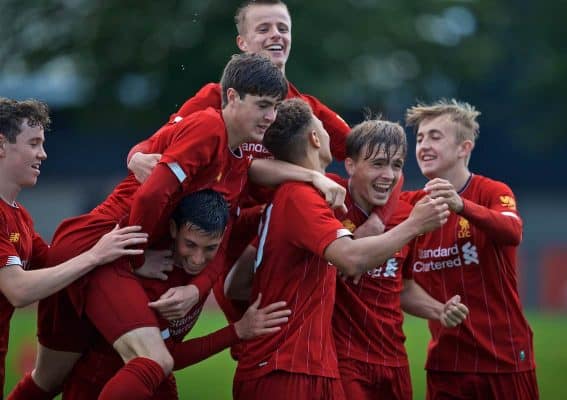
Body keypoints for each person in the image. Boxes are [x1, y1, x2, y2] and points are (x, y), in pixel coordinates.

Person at [8, 54, 342, 400]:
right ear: (231, 97)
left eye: (274, 107)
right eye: (262, 106)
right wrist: (137, 259)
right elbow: (152, 194)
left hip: (110, 250)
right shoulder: (208, 127)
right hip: (103, 246)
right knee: (153, 361)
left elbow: (222, 234)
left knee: (51, 379)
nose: (270, 117)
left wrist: (197, 290)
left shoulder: (237, 161)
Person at [127, 0, 401, 335]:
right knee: (158, 343)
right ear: (242, 43)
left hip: (286, 242)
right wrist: (135, 155)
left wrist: (378, 220)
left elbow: (384, 159)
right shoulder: (215, 100)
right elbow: (156, 144)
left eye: (283, 28)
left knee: (291, 343)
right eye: (264, 28)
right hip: (220, 243)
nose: (276, 35)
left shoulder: (307, 109)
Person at [225, 110, 470, 399]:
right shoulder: (321, 199)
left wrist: (438, 310)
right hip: (331, 362)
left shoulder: (402, 209)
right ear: (350, 165)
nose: (389, 175)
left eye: (397, 165)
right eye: (378, 164)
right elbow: (351, 257)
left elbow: (401, 286)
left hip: (388, 363)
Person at [60, 189, 291, 399]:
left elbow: (249, 218)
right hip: (101, 383)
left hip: (156, 382)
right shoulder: (155, 277)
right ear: (172, 229)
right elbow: (168, 356)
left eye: (210, 248)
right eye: (190, 244)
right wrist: (238, 330)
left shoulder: (213, 251)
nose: (198, 259)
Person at [0, 97, 148, 394]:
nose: (43, 154)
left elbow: (58, 265)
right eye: (33, 143)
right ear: (2, 145)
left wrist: (137, 262)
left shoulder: (20, 217)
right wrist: (96, 254)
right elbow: (19, 290)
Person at [402, 99, 538, 400]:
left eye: (435, 136)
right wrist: (439, 310)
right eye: (420, 138)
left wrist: (461, 205)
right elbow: (401, 286)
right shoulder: (409, 207)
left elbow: (512, 231)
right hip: (445, 364)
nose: (423, 145)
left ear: (464, 148)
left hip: (504, 358)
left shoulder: (492, 191)